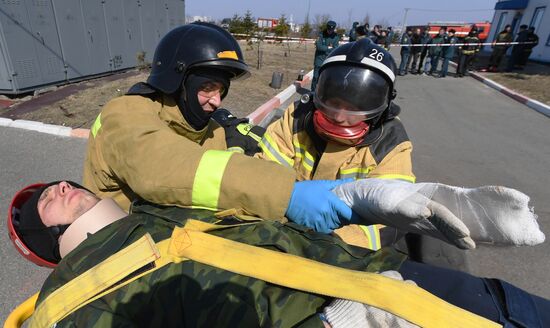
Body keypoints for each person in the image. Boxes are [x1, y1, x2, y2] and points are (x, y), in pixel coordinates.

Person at [7, 180, 550, 327]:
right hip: (345, 312)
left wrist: (364, 199)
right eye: (40, 205)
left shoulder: (156, 216)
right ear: (41, 244)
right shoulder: (67, 308)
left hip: (382, 281)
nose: (56, 188)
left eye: (56, 183)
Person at [82, 22, 354, 236]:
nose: (217, 101)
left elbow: (218, 194)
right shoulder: (124, 113)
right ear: (177, 81)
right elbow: (161, 169)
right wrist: (286, 194)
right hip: (116, 249)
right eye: (207, 88)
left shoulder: (213, 130)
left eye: (222, 90)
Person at [256, 39, 415, 250]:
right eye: (333, 104)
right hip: (280, 231)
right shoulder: (296, 118)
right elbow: (262, 175)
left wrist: (324, 244)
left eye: (354, 108)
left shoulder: (391, 144)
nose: (339, 117)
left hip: (344, 252)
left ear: (381, 108)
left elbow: (387, 220)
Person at [311, 20, 340, 91]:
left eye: (331, 30)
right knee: (316, 77)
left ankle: (322, 94)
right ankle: (312, 92)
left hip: (328, 59)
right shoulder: (321, 35)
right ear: (327, 28)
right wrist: (329, 48)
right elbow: (319, 46)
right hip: (319, 59)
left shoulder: (336, 37)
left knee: (326, 79)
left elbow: (335, 49)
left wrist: (325, 48)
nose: (330, 31)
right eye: (329, 30)